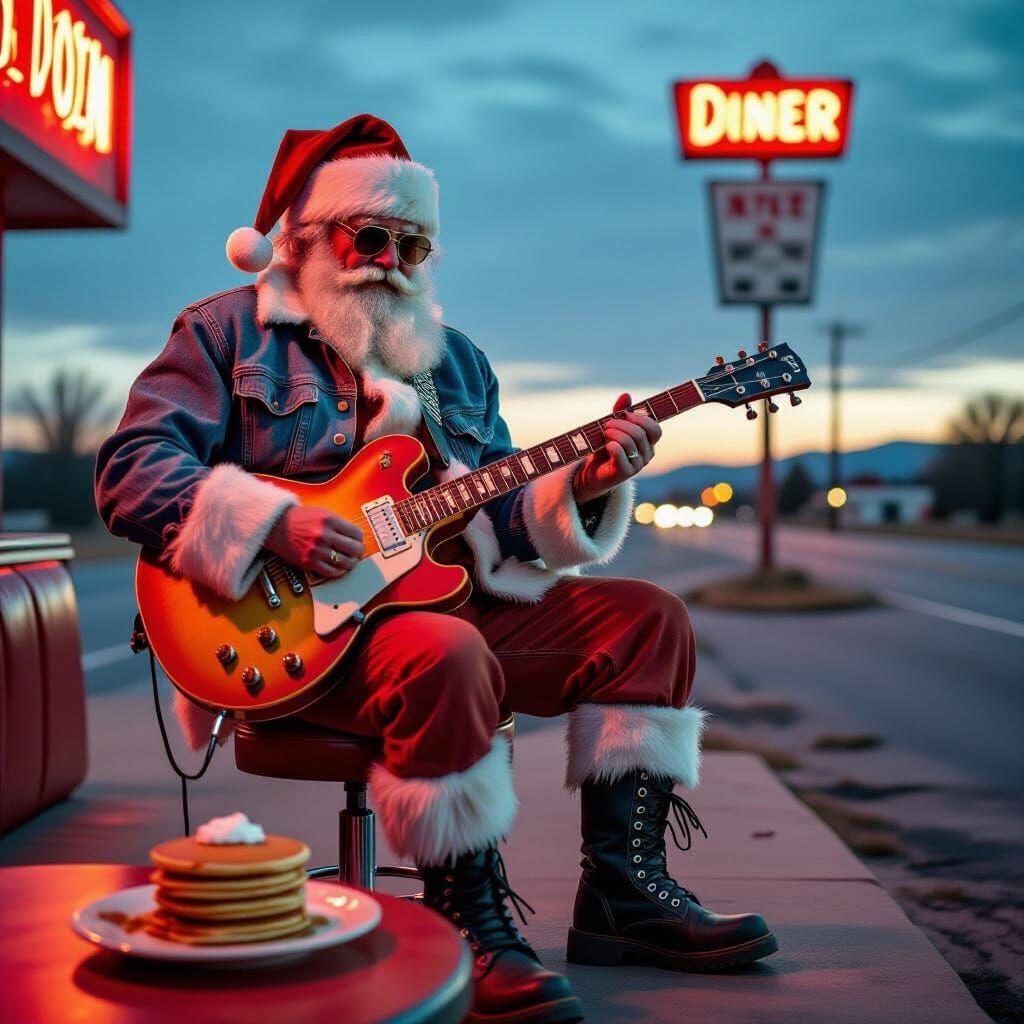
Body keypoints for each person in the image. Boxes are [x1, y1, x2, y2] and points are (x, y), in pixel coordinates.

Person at [95, 114, 776, 1024]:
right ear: (303, 239)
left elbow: (502, 517)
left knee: (646, 619)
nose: (392, 258)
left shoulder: (456, 363)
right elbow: (130, 470)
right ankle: (469, 921)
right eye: (369, 235)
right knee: (445, 651)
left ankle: (623, 898)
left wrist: (589, 480)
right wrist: (273, 525)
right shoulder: (226, 334)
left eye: (413, 242)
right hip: (293, 636)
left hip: (438, 605)